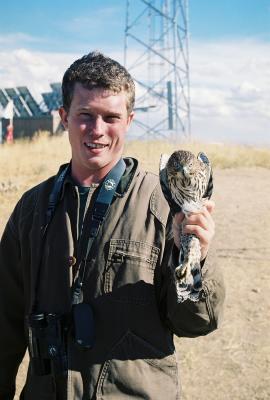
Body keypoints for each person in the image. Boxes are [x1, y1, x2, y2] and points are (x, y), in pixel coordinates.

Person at [0, 51, 225, 399]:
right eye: (85, 115)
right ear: (64, 117)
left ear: (130, 120)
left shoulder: (165, 206)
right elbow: (4, 327)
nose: (98, 130)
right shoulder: (31, 210)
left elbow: (196, 322)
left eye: (111, 117)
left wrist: (195, 260)